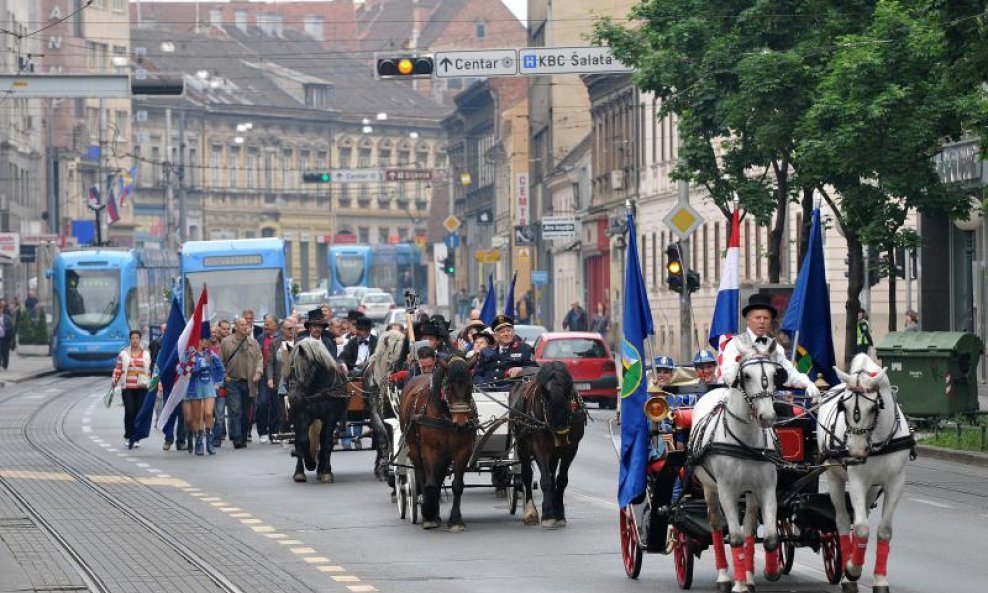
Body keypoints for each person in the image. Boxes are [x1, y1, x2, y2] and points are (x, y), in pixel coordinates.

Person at [720, 293, 820, 400]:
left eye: (766, 318)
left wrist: (808, 384)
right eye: (758, 317)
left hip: (771, 402)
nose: (762, 321)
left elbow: (789, 372)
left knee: (793, 414)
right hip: (742, 401)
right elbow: (728, 374)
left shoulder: (776, 348)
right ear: (748, 320)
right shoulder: (735, 344)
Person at [220, 317, 263, 449]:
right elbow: (220, 361)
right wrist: (224, 375)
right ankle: (237, 438)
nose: (245, 327)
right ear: (236, 327)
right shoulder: (227, 342)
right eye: (242, 325)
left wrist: (258, 373)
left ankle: (243, 435)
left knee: (246, 412)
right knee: (235, 410)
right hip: (233, 381)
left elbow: (260, 359)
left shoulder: (253, 343)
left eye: (246, 325)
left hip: (249, 382)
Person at [182, 336, 225, 456]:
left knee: (208, 413)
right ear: (197, 340)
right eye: (202, 339)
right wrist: (201, 364)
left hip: (208, 386)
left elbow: (220, 369)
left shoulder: (211, 354)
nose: (205, 342)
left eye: (206, 340)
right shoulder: (190, 355)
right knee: (196, 417)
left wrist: (218, 383)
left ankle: (209, 439)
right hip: (194, 386)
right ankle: (199, 441)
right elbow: (184, 370)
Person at [111, 330, 151, 448]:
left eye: (137, 338)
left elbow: (149, 370)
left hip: (142, 387)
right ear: (130, 340)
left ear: (140, 339)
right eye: (133, 338)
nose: (135, 340)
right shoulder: (123, 354)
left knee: (139, 412)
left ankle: (136, 437)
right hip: (127, 387)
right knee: (129, 411)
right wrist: (114, 380)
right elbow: (118, 368)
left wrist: (153, 383)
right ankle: (128, 436)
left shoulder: (146, 354)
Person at [473, 314, 537, 385]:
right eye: (502, 332)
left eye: (509, 331)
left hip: (513, 393)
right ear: (495, 336)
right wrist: (483, 385)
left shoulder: (525, 349)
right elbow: (477, 375)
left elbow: (535, 369)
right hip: (486, 392)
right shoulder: (485, 352)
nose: (506, 334)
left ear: (513, 332)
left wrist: (522, 369)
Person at [256, 314, 281, 444]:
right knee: (262, 403)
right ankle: (262, 431)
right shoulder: (260, 338)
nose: (265, 326)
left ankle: (274, 431)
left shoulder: (281, 338)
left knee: (276, 404)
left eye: (268, 324)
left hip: (277, 374)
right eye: (265, 324)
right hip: (263, 374)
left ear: (276, 325)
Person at [0, 305, 14, 370]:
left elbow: (10, 327)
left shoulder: (7, 317)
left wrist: (11, 337)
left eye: (0, 308)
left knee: (5, 352)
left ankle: (5, 364)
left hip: (5, 338)